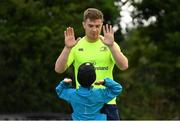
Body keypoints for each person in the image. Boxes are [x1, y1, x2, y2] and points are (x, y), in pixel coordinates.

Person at [55, 8, 128, 120]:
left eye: (97, 26)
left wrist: (112, 46)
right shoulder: (75, 45)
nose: (94, 30)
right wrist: (67, 48)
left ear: (102, 25)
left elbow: (124, 66)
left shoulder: (110, 44)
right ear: (84, 24)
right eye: (90, 25)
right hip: (84, 103)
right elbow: (59, 69)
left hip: (107, 101)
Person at [56, 62, 122, 120]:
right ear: (94, 78)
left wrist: (65, 83)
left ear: (77, 77)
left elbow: (60, 91)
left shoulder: (72, 94)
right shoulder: (100, 94)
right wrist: (105, 82)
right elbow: (117, 88)